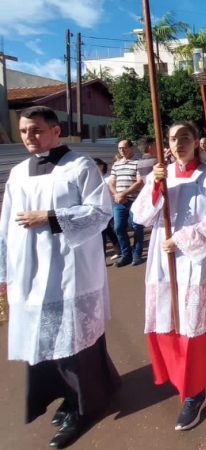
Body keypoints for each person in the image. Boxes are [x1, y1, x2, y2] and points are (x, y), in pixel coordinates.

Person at [0, 106, 120, 448]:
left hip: (71, 272)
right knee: (42, 339)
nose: (28, 137)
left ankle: (82, 407)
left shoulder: (79, 166)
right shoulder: (18, 173)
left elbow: (100, 213)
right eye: (24, 131)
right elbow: (6, 226)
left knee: (74, 342)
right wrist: (3, 272)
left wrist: (51, 217)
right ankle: (72, 395)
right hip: (30, 272)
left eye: (36, 130)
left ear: (56, 131)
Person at [131, 120, 206, 431]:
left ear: (197, 141)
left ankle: (195, 391)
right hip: (164, 263)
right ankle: (179, 377)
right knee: (168, 322)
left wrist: (184, 239)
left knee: (193, 326)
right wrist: (155, 187)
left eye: (185, 137)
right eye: (173, 138)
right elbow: (140, 216)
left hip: (195, 261)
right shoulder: (160, 175)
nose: (178, 143)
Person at [110, 139, 145, 267]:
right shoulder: (116, 165)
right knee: (118, 227)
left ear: (131, 148)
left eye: (124, 148)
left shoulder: (138, 163)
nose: (122, 150)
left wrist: (123, 194)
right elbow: (111, 182)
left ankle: (137, 254)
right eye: (119, 148)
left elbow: (139, 182)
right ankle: (126, 254)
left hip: (134, 201)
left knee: (137, 227)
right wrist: (117, 195)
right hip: (119, 201)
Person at [94, 157, 122, 262]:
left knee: (105, 232)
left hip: (108, 208)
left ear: (101, 166)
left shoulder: (108, 179)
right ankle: (118, 249)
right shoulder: (95, 179)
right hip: (98, 210)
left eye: (95, 165)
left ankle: (103, 256)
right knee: (108, 232)